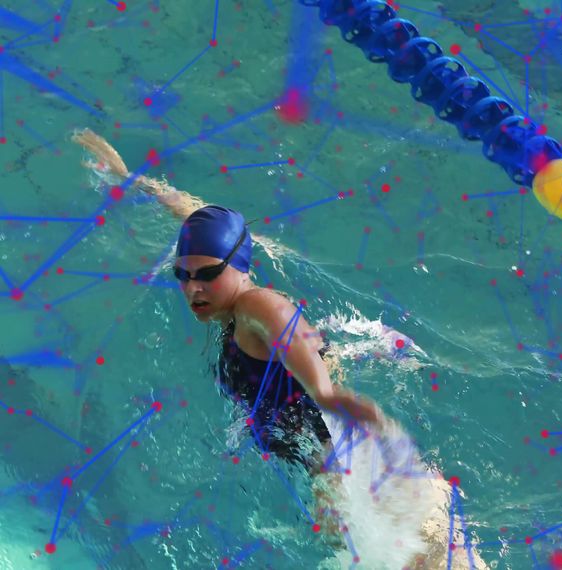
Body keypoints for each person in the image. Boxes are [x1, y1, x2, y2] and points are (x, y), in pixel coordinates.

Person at [72, 129, 491, 569]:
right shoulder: (233, 290)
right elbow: (195, 215)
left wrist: (324, 392)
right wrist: (132, 180)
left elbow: (281, 321)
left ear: (238, 266)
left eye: (207, 274)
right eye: (183, 274)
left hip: (352, 480)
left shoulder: (254, 305)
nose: (193, 287)